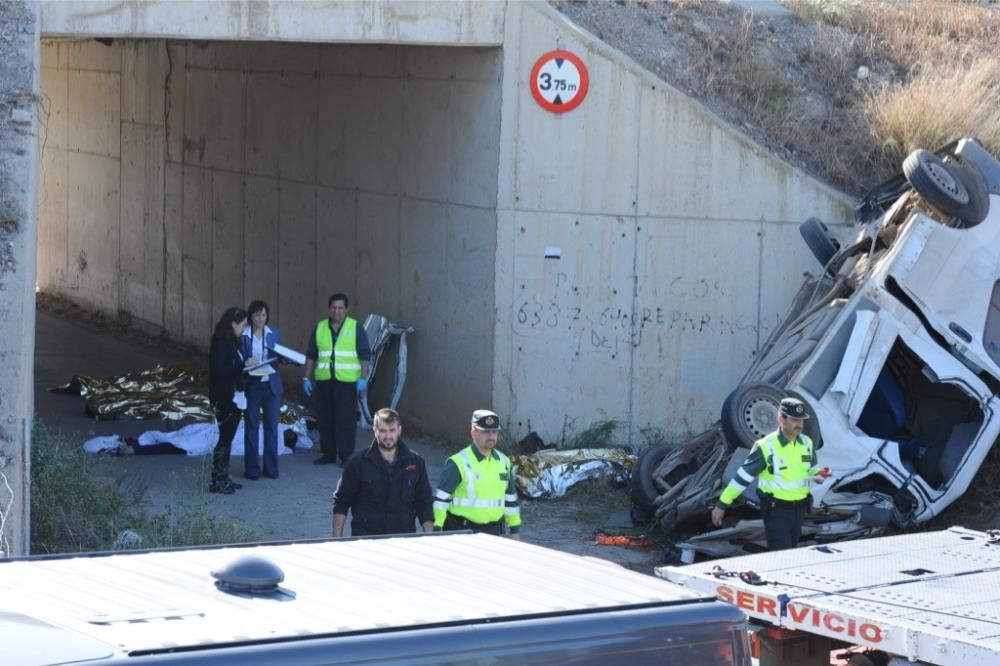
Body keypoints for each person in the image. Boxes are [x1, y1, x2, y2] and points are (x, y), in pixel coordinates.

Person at [711, 397, 829, 550]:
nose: (799, 425)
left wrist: (819, 475)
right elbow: (742, 478)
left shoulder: (806, 443)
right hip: (777, 511)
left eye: (801, 420)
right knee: (782, 555)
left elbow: (812, 469)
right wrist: (722, 504)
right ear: (781, 419)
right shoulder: (766, 446)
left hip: (800, 510)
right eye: (794, 420)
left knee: (791, 552)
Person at [332, 408, 434, 537]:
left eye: (392, 430)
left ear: (399, 430)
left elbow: (424, 503)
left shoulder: (416, 463)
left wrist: (430, 537)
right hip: (367, 539)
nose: (388, 436)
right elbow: (342, 502)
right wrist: (337, 540)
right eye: (383, 431)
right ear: (375, 431)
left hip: (403, 539)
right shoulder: (357, 463)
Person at [302, 293, 371, 467]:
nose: (337, 311)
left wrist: (363, 378)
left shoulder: (355, 327)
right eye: (333, 307)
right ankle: (328, 454)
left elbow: (364, 355)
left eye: (340, 308)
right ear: (329, 308)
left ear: (346, 309)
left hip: (347, 383)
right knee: (325, 419)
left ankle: (346, 455)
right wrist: (306, 377)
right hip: (324, 381)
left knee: (346, 420)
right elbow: (311, 354)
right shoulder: (320, 328)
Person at [433, 409, 521, 540]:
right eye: (485, 431)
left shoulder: (504, 461)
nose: (491, 436)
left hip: (494, 532)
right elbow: (441, 501)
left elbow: (510, 499)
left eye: (494, 431)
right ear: (473, 432)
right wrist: (437, 531)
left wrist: (515, 531)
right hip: (462, 532)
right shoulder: (458, 463)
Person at [241, 300, 284, 480]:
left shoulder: (274, 333)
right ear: (251, 316)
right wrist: (245, 361)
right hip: (252, 384)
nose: (261, 318)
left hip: (271, 385)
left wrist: (285, 359)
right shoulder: (243, 334)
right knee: (251, 426)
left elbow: (279, 355)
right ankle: (252, 469)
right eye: (257, 314)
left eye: (264, 315)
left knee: (271, 428)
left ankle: (271, 469)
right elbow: (238, 357)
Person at [208, 306, 248, 494]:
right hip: (223, 396)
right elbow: (219, 370)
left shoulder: (234, 342)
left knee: (228, 438)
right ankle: (217, 479)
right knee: (224, 437)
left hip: (234, 395)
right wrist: (241, 367)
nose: (244, 328)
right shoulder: (220, 342)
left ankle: (224, 476)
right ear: (233, 324)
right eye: (243, 325)